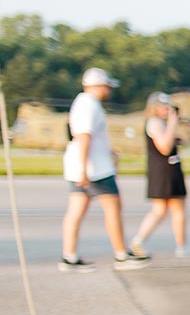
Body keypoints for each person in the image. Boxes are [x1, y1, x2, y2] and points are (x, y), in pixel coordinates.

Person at [59, 68, 147, 272]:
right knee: (113, 207)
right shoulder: (89, 105)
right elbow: (84, 136)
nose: (109, 90)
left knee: (76, 210)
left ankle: (69, 256)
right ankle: (121, 254)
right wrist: (84, 169)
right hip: (94, 169)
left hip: (82, 166)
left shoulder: (82, 103)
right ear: (97, 86)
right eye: (107, 86)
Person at [130, 92, 190, 258]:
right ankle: (181, 247)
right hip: (165, 170)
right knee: (176, 208)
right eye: (164, 107)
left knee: (160, 210)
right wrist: (173, 124)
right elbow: (164, 147)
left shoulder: (159, 123)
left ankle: (139, 240)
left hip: (162, 170)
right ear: (154, 107)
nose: (167, 110)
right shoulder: (155, 123)